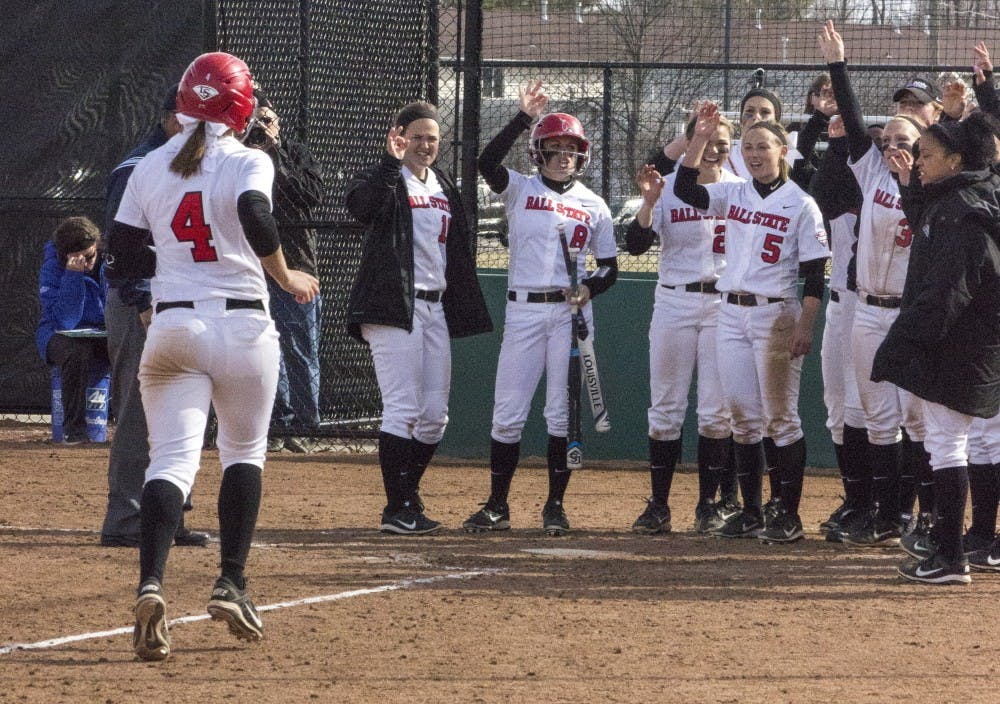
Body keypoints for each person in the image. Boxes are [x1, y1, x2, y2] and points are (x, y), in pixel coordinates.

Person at [108, 51, 319, 661]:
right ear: (242, 107)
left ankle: (151, 583)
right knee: (243, 452)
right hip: (242, 325)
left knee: (170, 461)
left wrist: (158, 305)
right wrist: (285, 277)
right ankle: (230, 581)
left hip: (173, 323)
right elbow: (256, 215)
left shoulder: (149, 165)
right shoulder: (249, 157)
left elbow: (122, 252)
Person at [463, 81, 618, 536]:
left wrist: (589, 287)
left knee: (560, 413)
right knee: (509, 410)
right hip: (525, 309)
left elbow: (609, 268)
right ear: (538, 151)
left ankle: (555, 505)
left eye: (571, 147)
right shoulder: (519, 188)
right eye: (554, 147)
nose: (564, 154)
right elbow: (485, 162)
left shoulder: (594, 204)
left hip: (570, 314)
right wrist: (523, 117)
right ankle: (497, 505)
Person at [674, 102, 830, 544]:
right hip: (730, 312)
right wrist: (701, 138)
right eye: (749, 147)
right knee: (742, 418)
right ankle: (752, 510)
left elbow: (817, 273)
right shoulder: (735, 192)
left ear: (783, 150)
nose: (755, 153)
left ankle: (790, 513)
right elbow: (686, 189)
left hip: (775, 314)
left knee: (780, 419)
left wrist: (805, 325)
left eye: (764, 146)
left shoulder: (802, 204)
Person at [345, 101, 492, 535]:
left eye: (432, 138)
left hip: (434, 306)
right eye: (417, 136)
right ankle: (396, 508)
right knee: (403, 408)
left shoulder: (442, 182)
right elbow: (362, 207)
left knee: (434, 416)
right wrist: (390, 165)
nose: (425, 145)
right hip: (393, 305)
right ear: (399, 136)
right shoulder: (387, 176)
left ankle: (408, 494)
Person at [872, 111, 1000, 584]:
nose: (918, 163)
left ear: (956, 159)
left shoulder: (959, 209)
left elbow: (947, 293)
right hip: (978, 342)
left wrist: (902, 342)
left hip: (960, 345)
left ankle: (951, 556)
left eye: (927, 155)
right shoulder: (966, 199)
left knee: (949, 445)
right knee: (969, 443)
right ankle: (968, 545)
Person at [819, 20, 931, 547]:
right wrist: (837, 64)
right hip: (866, 309)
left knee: (916, 419)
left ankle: (922, 515)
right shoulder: (870, 175)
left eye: (904, 141)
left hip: (908, 313)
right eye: (887, 141)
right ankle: (887, 516)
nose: (893, 147)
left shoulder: (929, 190)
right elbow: (853, 115)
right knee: (879, 419)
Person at [100, 84, 209, 549]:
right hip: (138, 304)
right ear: (171, 119)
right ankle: (125, 518)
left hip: (183, 301)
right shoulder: (139, 167)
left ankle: (168, 515)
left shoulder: (186, 164)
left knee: (183, 411)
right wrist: (144, 302)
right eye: (193, 120)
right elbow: (121, 246)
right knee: (140, 412)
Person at [624, 111, 741, 535]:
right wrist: (648, 203)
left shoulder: (740, 192)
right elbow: (634, 247)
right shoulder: (668, 187)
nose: (713, 149)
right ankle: (658, 505)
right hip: (675, 301)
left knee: (715, 413)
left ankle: (708, 505)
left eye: (722, 143)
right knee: (665, 410)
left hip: (723, 306)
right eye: (704, 140)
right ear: (688, 142)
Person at [248, 89, 326, 454]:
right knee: (263, 349)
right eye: (256, 121)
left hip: (295, 266)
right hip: (251, 269)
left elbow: (307, 195)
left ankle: (307, 426)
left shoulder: (296, 153)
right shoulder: (242, 157)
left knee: (298, 347)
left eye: (268, 119)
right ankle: (276, 422)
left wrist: (274, 149)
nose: (263, 126)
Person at [36, 216, 109, 444]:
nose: (88, 264)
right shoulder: (52, 268)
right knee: (76, 353)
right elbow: (65, 321)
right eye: (80, 259)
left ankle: (135, 431)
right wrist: (73, 276)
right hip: (57, 335)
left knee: (134, 349)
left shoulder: (108, 264)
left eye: (90, 256)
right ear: (65, 255)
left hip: (101, 331)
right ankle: (73, 431)